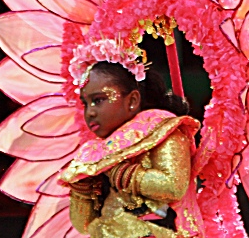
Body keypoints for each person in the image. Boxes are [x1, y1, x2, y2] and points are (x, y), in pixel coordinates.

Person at [60, 61, 203, 238]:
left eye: (98, 100)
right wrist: (83, 190)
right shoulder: (97, 151)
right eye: (86, 104)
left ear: (132, 101)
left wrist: (124, 173)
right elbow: (84, 225)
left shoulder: (163, 132)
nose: (90, 112)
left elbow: (174, 187)